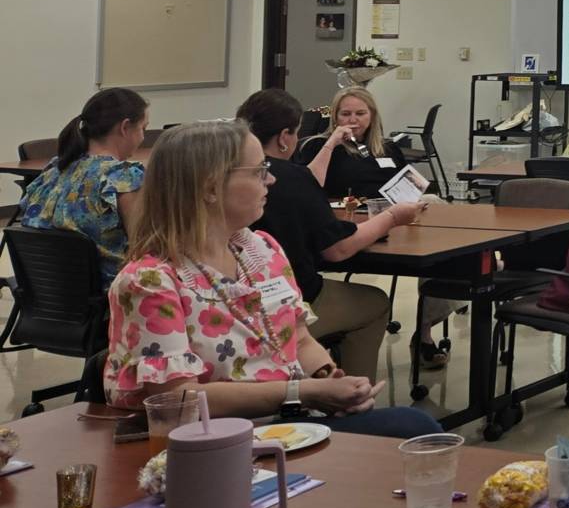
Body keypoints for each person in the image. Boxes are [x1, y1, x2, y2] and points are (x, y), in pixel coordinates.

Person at [101, 120, 440, 438]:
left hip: (284, 420)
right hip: (215, 442)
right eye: (259, 171)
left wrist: (329, 377)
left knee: (414, 428)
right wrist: (304, 392)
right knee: (411, 427)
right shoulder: (150, 281)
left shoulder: (260, 250)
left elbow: (300, 339)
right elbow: (177, 401)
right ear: (210, 188)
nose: (272, 179)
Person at [235, 89, 426, 378]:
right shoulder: (292, 177)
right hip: (286, 301)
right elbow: (337, 249)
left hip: (236, 300)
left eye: (360, 113)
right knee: (374, 303)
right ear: (285, 137)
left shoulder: (224, 176)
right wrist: (391, 218)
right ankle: (353, 398)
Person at [19, 87, 149, 283]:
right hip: (108, 299)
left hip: (45, 293)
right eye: (143, 129)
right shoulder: (123, 178)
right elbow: (143, 247)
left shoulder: (52, 171)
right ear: (125, 127)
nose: (143, 138)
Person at [296, 86, 408, 201]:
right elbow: (305, 186)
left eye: (360, 113)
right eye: (345, 114)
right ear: (335, 117)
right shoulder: (316, 145)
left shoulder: (389, 148)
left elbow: (408, 188)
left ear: (372, 116)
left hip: (387, 211)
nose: (353, 120)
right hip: (342, 212)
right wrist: (331, 144)